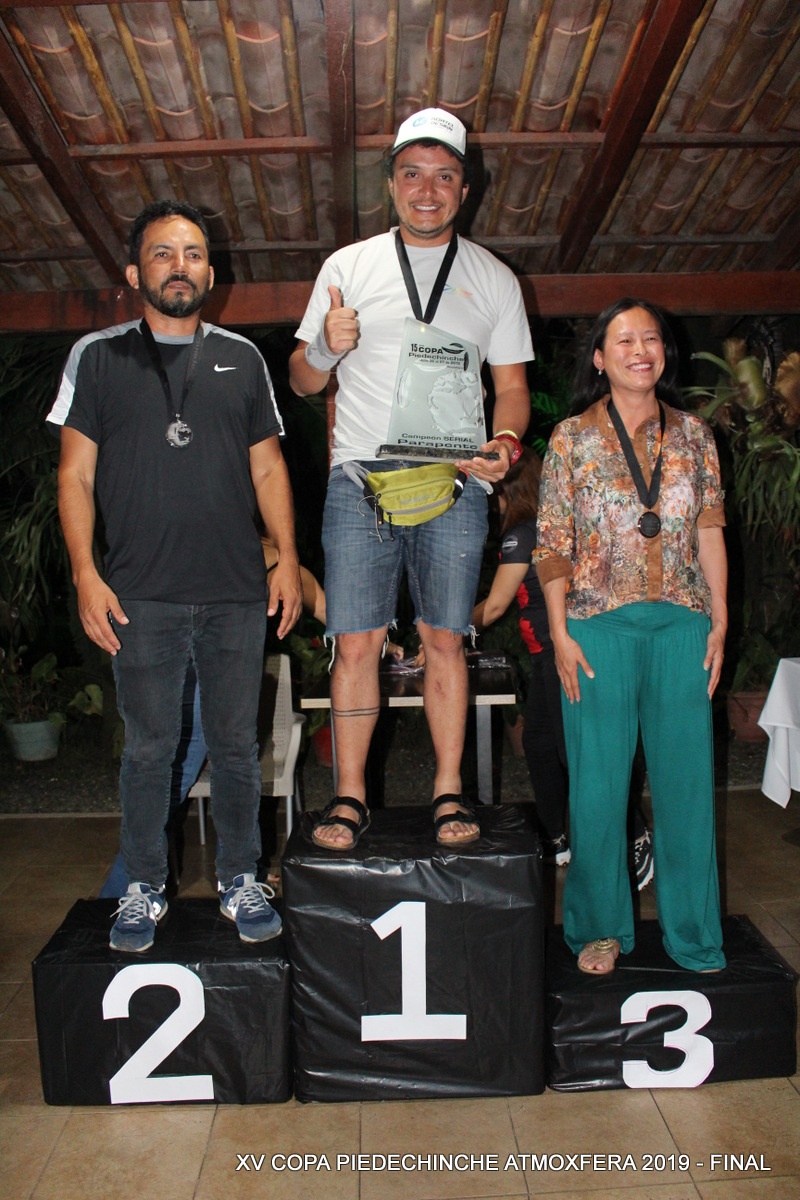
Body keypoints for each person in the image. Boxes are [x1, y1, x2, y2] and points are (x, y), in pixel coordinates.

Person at [48, 199, 302, 953]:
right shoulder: (98, 356)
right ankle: (144, 886)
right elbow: (75, 475)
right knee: (148, 749)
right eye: (162, 253)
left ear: (210, 274)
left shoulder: (242, 358)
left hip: (234, 591)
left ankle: (240, 878)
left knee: (235, 745)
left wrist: (288, 560)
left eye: (192, 253)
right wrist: (86, 574)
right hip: (139, 594)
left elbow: (268, 468)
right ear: (134, 274)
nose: (179, 266)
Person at [288, 108, 533, 850]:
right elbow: (301, 382)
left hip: (455, 480)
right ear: (391, 184)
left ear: (465, 188)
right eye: (413, 174)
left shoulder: (494, 277)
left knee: (446, 639)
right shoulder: (348, 267)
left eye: (445, 176)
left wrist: (507, 442)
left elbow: (511, 387)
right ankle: (349, 798)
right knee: (356, 642)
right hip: (360, 480)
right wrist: (324, 350)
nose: (428, 190)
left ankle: (449, 792)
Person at [535, 298, 727, 975]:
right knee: (597, 788)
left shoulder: (695, 435)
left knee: (686, 790)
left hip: (683, 625)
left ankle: (694, 933)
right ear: (599, 357)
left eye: (651, 338)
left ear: (664, 352)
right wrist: (558, 633)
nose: (640, 350)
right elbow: (550, 545)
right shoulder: (571, 438)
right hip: (597, 629)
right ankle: (598, 927)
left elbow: (709, 529)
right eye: (624, 340)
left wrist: (721, 620)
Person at [473, 449, 655, 882]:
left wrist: (448, 628)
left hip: (562, 653)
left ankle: (634, 836)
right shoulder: (550, 528)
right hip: (549, 656)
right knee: (539, 743)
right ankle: (555, 837)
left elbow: (495, 606)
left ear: (508, 492)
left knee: (577, 753)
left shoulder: (522, 534)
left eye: (494, 493)